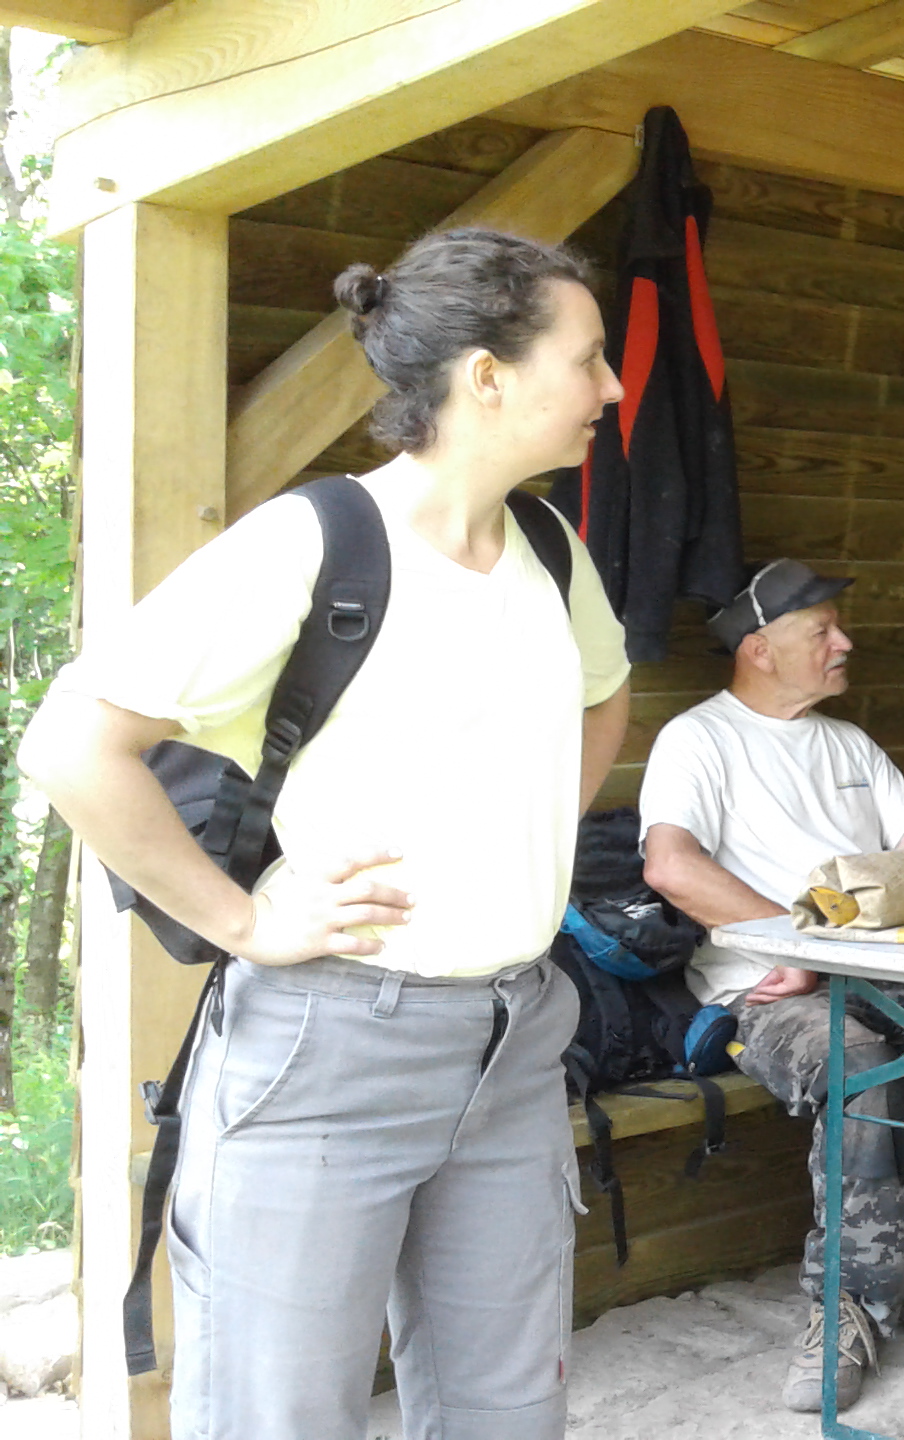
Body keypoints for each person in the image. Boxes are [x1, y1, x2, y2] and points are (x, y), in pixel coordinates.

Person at [23, 229, 634, 1437]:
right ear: (487, 375)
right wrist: (241, 922)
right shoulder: (313, 542)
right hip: (330, 1046)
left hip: (517, 1039)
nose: (612, 388)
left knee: (508, 1412)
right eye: (588, 359)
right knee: (281, 1415)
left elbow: (602, 695)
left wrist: (525, 834)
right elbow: (70, 747)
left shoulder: (548, 549)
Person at [637, 559, 904, 1413]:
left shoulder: (847, 744)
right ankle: (847, 1311)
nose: (843, 642)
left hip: (886, 970)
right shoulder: (698, 740)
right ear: (758, 649)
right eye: (821, 630)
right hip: (770, 989)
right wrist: (797, 945)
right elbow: (671, 867)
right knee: (859, 1068)